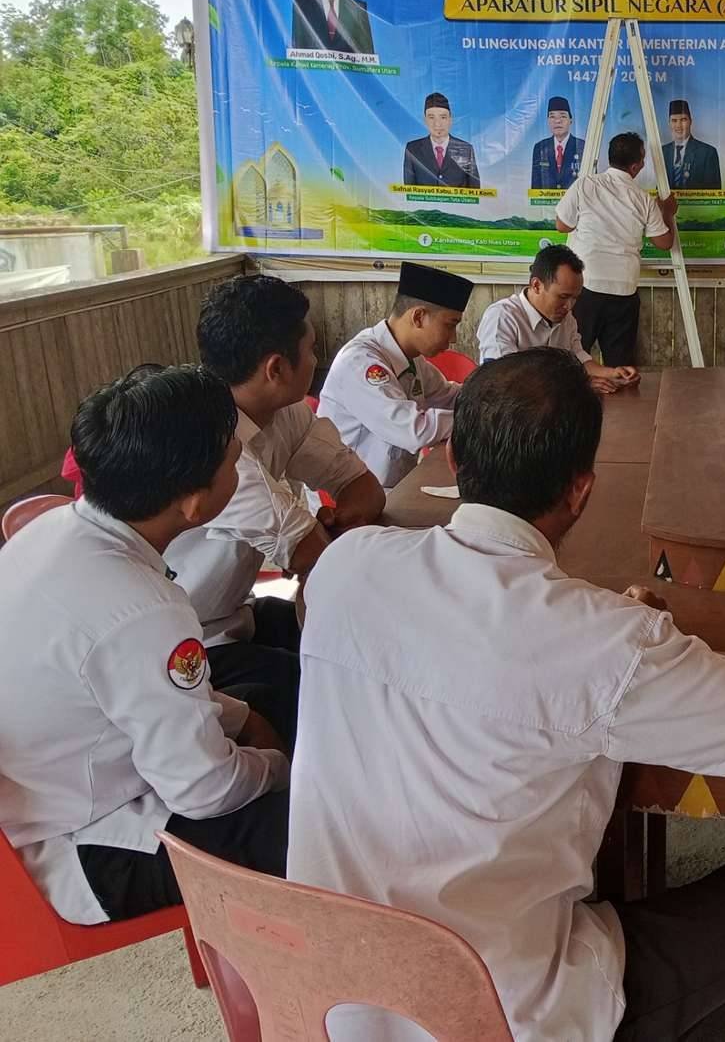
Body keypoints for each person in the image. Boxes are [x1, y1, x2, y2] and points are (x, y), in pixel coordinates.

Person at [288, 348, 725, 1042]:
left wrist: (610, 633)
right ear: (581, 490)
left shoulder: (345, 566)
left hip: (332, 999)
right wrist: (642, 633)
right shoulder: (608, 642)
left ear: (455, 462)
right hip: (501, 1012)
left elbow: (464, 639)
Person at [0, 365, 292, 926]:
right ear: (192, 502)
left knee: (261, 698)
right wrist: (278, 767)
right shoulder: (143, 610)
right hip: (87, 847)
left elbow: (126, 685)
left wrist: (245, 720)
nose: (241, 465)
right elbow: (202, 790)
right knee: (315, 823)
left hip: (53, 785)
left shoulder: (52, 530)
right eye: (234, 461)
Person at [166, 276, 384, 698]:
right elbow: (311, 554)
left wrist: (334, 524)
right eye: (312, 350)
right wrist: (320, 540)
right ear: (277, 369)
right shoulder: (209, 444)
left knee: (368, 647)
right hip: (187, 643)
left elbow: (363, 486)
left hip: (235, 613)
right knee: (330, 685)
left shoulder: (284, 413)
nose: (317, 360)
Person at [318, 261, 475, 489]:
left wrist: (490, 396)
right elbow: (414, 430)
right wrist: (480, 420)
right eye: (450, 325)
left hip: (392, 487)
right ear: (418, 317)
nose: (454, 338)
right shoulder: (361, 362)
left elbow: (449, 396)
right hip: (347, 497)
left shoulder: (412, 359)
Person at [556, 132, 677, 367]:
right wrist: (668, 213)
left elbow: (562, 225)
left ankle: (574, 404)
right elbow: (664, 243)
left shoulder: (585, 184)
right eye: (642, 160)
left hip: (587, 286)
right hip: (624, 289)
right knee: (619, 366)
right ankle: (620, 404)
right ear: (635, 166)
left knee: (573, 360)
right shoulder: (643, 199)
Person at [477, 243, 641, 394]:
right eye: (563, 296)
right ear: (536, 285)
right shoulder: (502, 317)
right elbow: (504, 379)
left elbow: (578, 357)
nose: (569, 306)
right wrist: (578, 385)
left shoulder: (567, 318)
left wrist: (613, 373)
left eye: (575, 298)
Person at [402, 92, 480, 189]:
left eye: (443, 117)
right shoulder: (412, 149)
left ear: (450, 120)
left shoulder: (466, 149)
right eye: (431, 117)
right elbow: (409, 191)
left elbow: (475, 191)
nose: (437, 124)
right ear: (425, 120)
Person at [664, 99, 721, 190]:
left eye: (683, 120)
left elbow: (713, 193)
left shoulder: (707, 153)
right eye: (674, 120)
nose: (678, 125)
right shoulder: (663, 152)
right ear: (669, 124)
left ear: (690, 121)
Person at [531, 96, 584, 190]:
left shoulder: (582, 146)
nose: (557, 121)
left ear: (571, 120)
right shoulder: (540, 148)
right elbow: (536, 186)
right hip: (546, 203)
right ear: (548, 121)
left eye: (563, 116)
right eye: (552, 116)